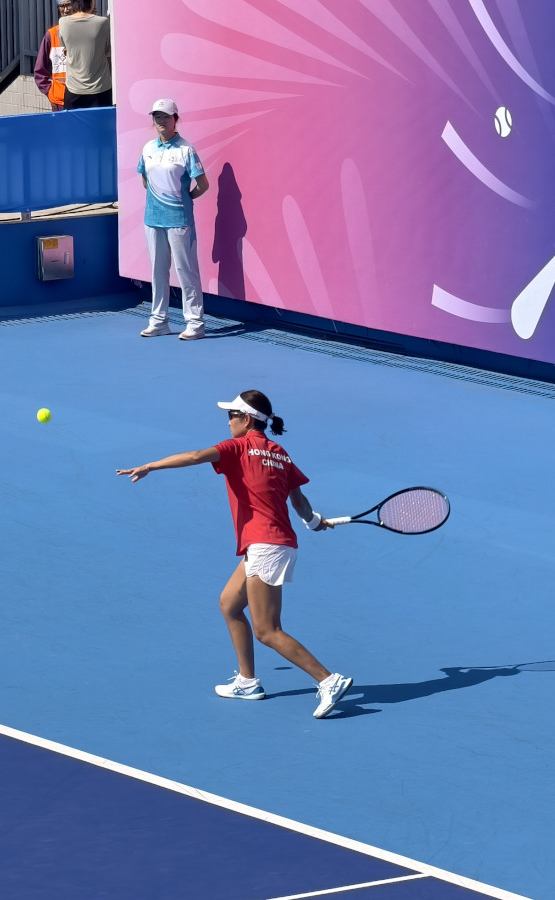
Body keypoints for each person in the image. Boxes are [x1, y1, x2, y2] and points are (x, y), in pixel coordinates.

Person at [116, 391, 354, 720]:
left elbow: (196, 456)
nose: (228, 422)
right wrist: (314, 522)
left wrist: (150, 466)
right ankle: (247, 682)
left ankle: (328, 680)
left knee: (267, 630)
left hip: (266, 546)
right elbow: (299, 501)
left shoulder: (238, 447)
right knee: (229, 604)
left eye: (231, 415)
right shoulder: (279, 453)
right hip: (273, 543)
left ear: (247, 418)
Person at [136, 98, 209, 339]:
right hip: (153, 220)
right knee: (158, 272)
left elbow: (203, 185)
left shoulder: (186, 150)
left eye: (166, 116)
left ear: (175, 119)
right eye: (157, 116)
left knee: (185, 271)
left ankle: (195, 323)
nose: (161, 120)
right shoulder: (148, 148)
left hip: (179, 221)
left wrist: (184, 200)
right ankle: (159, 321)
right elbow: (145, 179)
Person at [57, 0, 111, 109]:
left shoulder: (63, 22)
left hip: (73, 88)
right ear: (91, 2)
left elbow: (65, 46)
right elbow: (108, 51)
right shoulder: (103, 22)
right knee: (101, 120)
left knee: (73, 120)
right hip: (100, 88)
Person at [33, 0, 71, 112]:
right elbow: (40, 70)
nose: (65, 10)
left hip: (83, 98)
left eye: (68, 5)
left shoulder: (85, 31)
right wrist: (49, 93)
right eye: (62, 6)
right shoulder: (52, 35)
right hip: (60, 100)